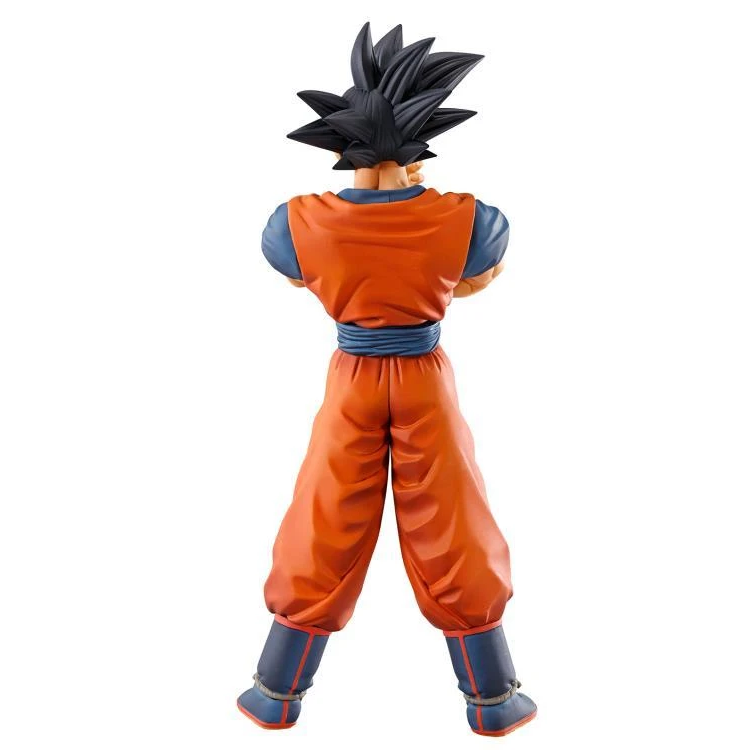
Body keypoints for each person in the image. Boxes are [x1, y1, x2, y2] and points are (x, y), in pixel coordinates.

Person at [236, 23, 536, 737]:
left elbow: (298, 275)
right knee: (453, 514)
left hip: (352, 376)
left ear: (341, 146)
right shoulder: (465, 217)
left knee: (325, 510)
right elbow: (479, 277)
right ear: (421, 139)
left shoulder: (299, 221)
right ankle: (491, 695)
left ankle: (277, 690)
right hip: (424, 377)